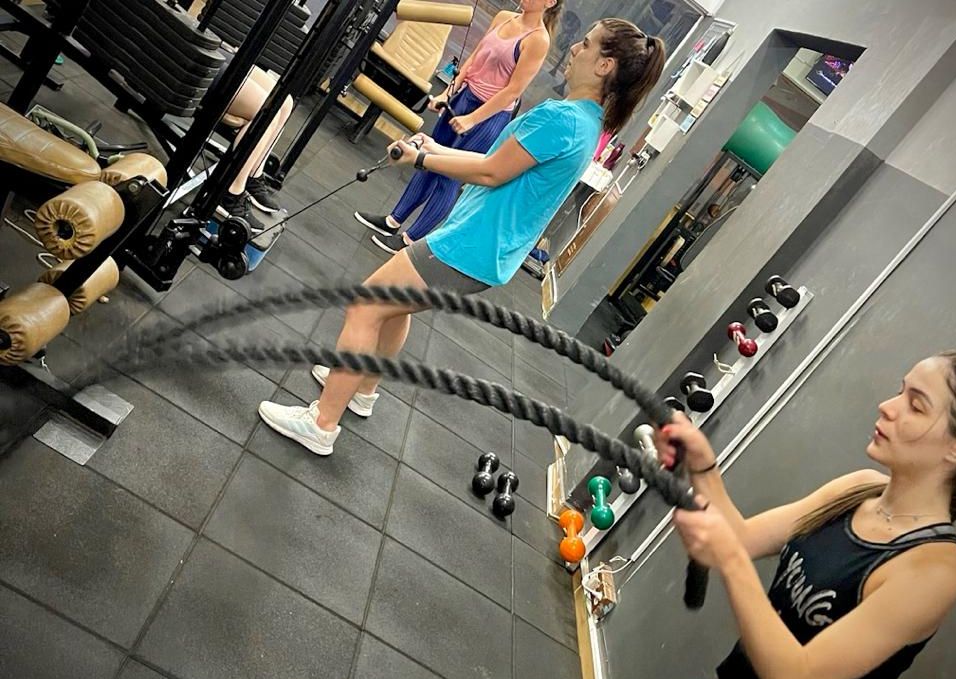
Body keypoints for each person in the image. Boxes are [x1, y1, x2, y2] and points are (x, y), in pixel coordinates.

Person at [256, 18, 667, 454]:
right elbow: (498, 164)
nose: (574, 50)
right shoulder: (586, 122)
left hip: (470, 246)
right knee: (393, 308)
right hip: (483, 248)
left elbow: (490, 173)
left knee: (367, 305)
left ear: (604, 65)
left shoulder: (562, 119)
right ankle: (361, 389)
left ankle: (321, 424)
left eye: (586, 45)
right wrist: (436, 150)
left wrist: (420, 161)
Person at [640, 351, 956, 679]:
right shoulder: (859, 489)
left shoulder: (935, 569)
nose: (888, 407)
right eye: (900, 391)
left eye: (916, 406)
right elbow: (741, 539)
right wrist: (702, 464)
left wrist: (730, 559)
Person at [354, 0, 563, 254]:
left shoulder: (538, 40)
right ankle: (392, 221)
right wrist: (448, 93)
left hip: (489, 116)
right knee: (427, 159)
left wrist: (472, 119)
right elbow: (474, 58)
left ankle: (409, 241)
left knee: (449, 177)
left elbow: (513, 91)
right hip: (464, 98)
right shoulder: (503, 17)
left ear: (550, 2)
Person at [211, 46, 294, 233]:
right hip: (198, 54)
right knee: (268, 113)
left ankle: (252, 174)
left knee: (285, 101)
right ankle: (230, 191)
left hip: (218, 49)